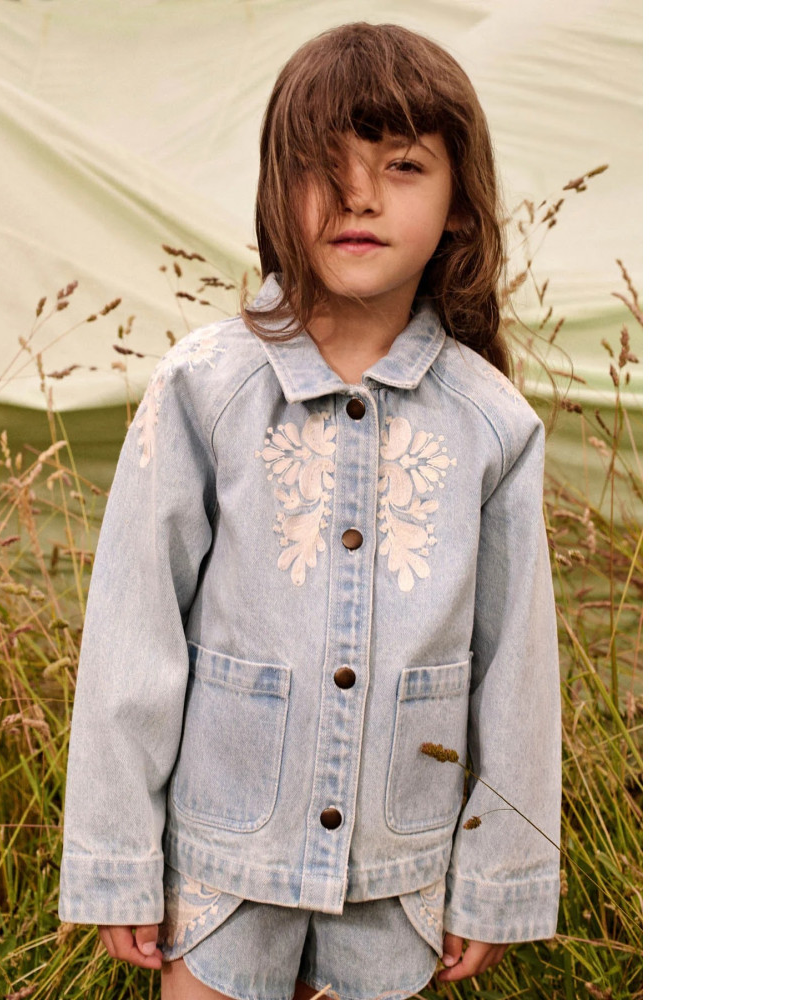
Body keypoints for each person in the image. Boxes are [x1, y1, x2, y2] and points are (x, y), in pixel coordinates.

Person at [59, 21, 561, 1000]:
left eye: (402, 165)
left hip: (398, 889)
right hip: (219, 877)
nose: (359, 195)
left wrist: (497, 877)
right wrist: (119, 856)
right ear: (274, 195)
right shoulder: (205, 387)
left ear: (459, 207)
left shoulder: (493, 423)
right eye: (322, 166)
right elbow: (132, 633)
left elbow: (517, 671)